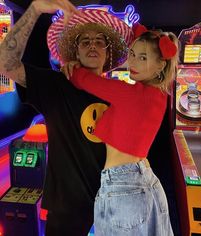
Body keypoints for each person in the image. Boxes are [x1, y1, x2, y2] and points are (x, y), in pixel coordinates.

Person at [0, 0, 133, 235]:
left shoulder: (121, 94)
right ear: (76, 51)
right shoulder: (57, 86)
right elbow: (5, 63)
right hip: (66, 210)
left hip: (112, 206)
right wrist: (35, 9)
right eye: (85, 41)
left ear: (108, 52)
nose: (93, 45)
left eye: (100, 41)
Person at [64, 29, 179, 235]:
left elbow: (86, 81)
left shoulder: (130, 94)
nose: (133, 63)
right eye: (132, 54)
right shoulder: (159, 95)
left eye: (143, 58)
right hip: (146, 180)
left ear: (161, 65)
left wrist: (72, 67)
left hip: (123, 187)